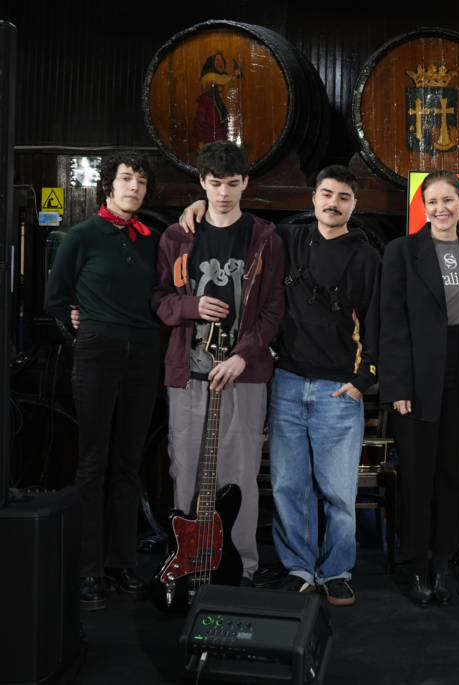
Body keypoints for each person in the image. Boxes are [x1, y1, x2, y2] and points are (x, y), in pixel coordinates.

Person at [177, 165, 381, 604]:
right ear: (313, 197)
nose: (333, 203)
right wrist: (198, 205)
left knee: (338, 492)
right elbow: (236, 219)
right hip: (287, 381)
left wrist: (362, 381)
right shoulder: (287, 238)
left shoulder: (366, 258)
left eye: (343, 197)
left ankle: (337, 571)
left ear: (354, 204)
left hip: (337, 390)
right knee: (289, 487)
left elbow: (378, 324)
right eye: (326, 194)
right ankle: (299, 568)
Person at [151, 140, 285, 582]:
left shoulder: (266, 239)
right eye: (214, 183)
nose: (223, 193)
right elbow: (160, 299)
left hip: (244, 375)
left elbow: (274, 308)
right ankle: (189, 561)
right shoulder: (177, 237)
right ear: (202, 182)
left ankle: (239, 570)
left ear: (246, 182)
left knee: (240, 473)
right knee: (185, 469)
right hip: (188, 373)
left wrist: (244, 356)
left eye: (231, 183)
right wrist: (191, 307)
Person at [44, 151, 161, 610]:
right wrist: (80, 320)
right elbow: (55, 298)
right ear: (109, 184)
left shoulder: (152, 238)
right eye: (127, 178)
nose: (134, 187)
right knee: (92, 461)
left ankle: (121, 564)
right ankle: (89, 570)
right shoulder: (82, 235)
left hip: (145, 353)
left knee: (129, 462)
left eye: (141, 181)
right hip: (97, 351)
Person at [379, 171, 459, 607]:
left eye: (448, 200)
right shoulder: (401, 251)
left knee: (453, 476)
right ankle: (417, 566)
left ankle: (443, 562)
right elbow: (391, 321)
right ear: (423, 206)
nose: (441, 208)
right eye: (433, 201)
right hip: (417, 378)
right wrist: (397, 385)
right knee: (417, 476)